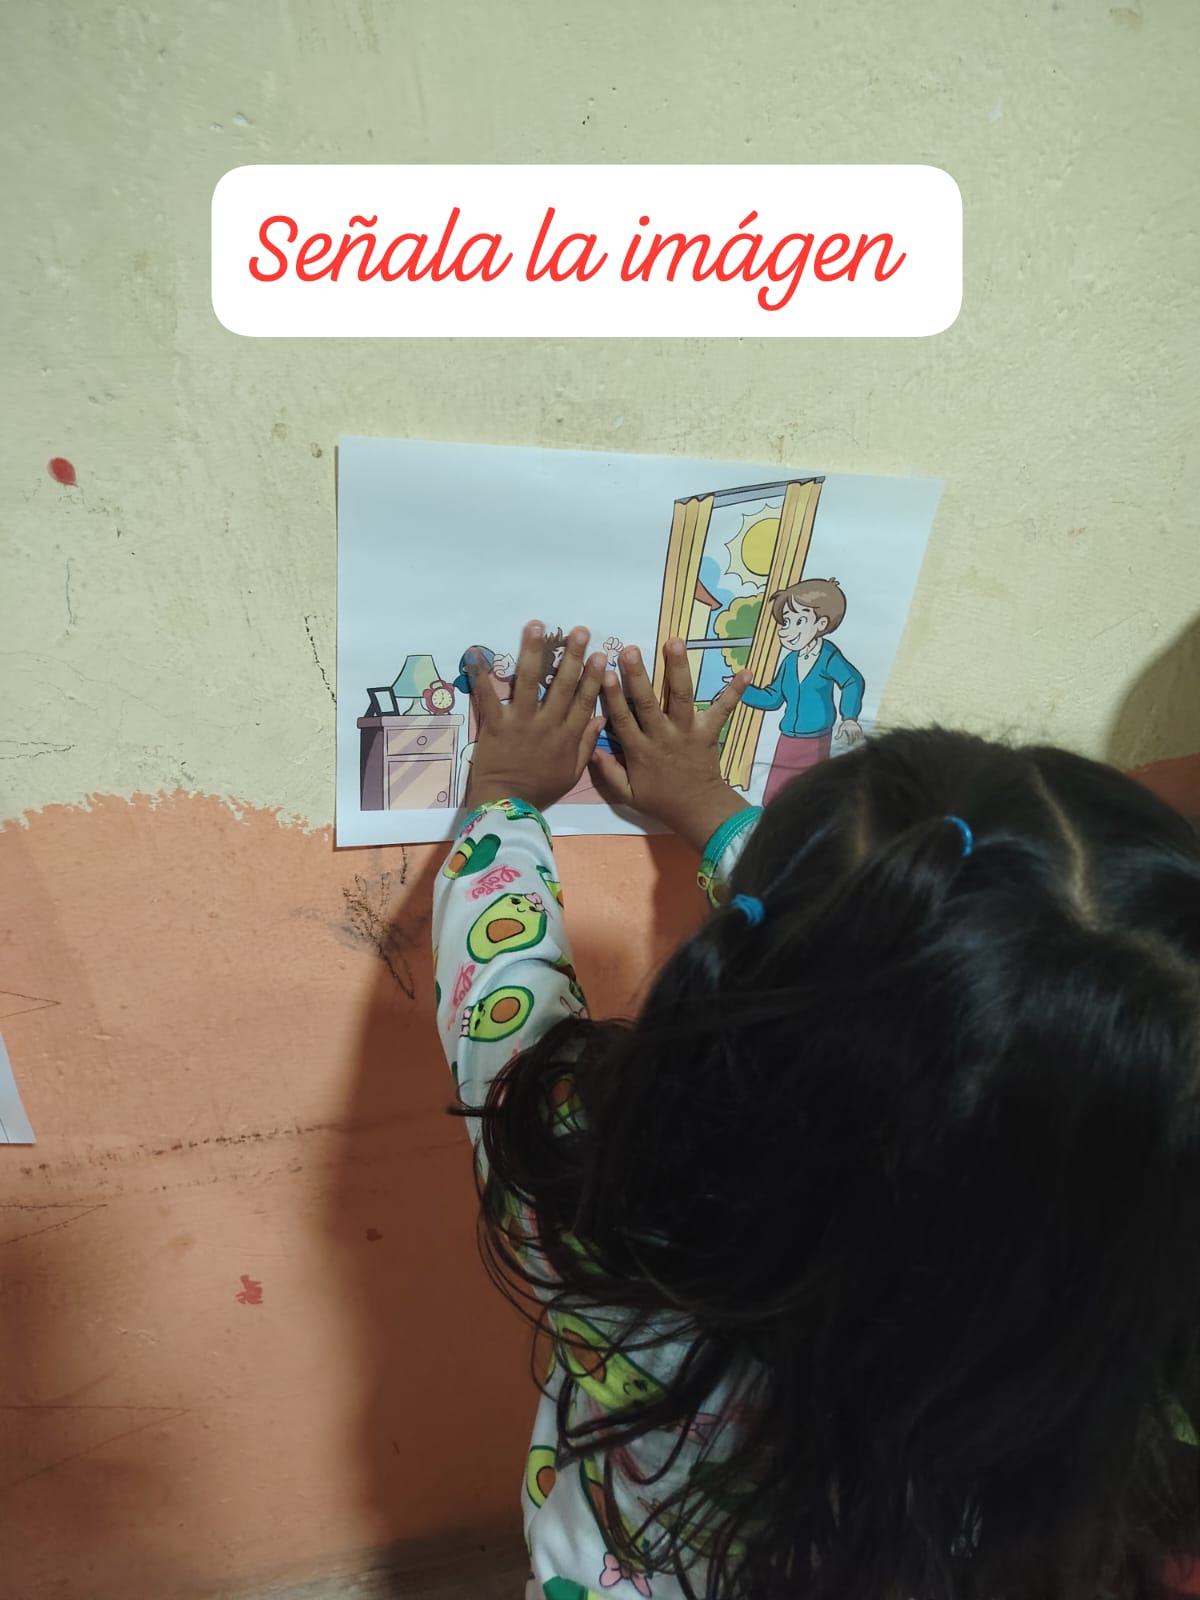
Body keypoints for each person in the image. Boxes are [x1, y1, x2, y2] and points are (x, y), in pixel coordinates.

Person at [432, 620, 1200, 1600]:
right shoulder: (1121, 1327)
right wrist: (710, 806)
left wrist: (502, 800)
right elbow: (921, 990)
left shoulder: (606, 1213)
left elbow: (501, 1009)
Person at [737, 578, 865, 804]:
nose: (787, 629)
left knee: (805, 796)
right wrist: (740, 690)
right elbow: (773, 697)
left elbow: (852, 681)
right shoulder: (790, 661)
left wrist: (850, 718)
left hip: (816, 740)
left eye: (799, 621)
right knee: (775, 795)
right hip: (787, 738)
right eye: (787, 621)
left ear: (821, 623)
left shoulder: (828, 656)